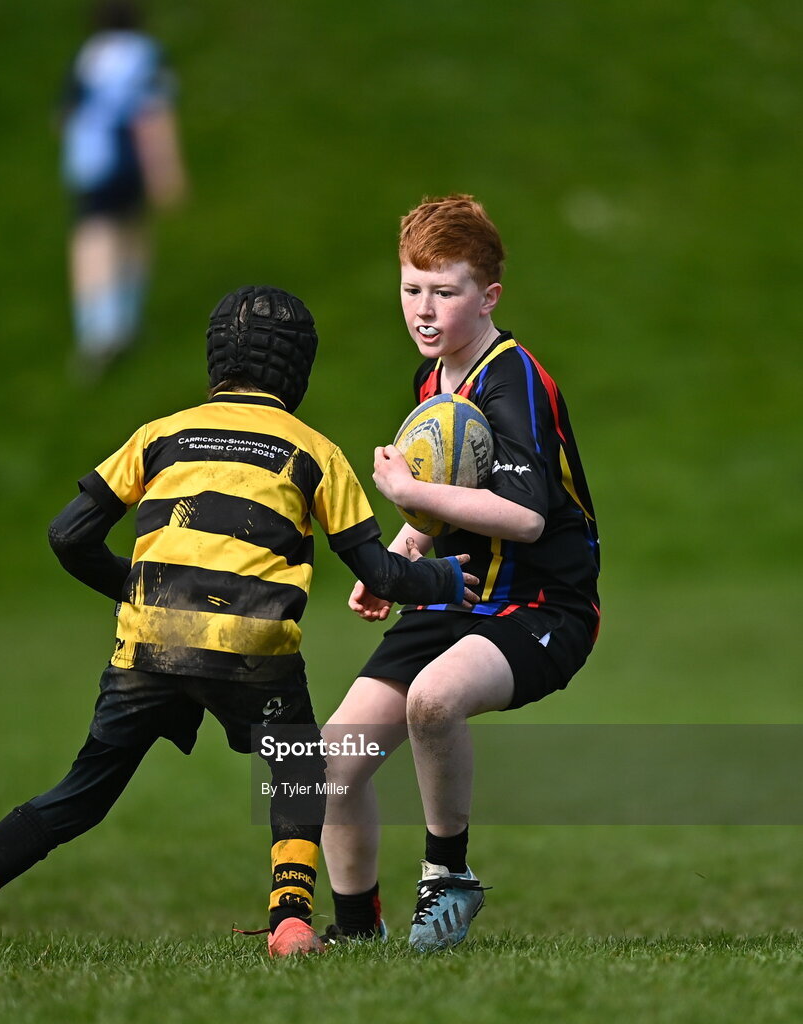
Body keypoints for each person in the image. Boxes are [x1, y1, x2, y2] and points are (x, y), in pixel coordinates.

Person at [0, 285, 482, 962]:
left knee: (77, 796)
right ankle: (291, 922)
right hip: (253, 650)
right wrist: (448, 577)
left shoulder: (161, 433)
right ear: (298, 368)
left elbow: (68, 537)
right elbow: (383, 574)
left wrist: (143, 589)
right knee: (300, 766)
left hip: (148, 648)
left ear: (215, 358)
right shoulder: (313, 452)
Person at [320, 195, 601, 951]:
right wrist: (402, 550)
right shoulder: (429, 382)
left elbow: (526, 516)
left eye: (445, 291)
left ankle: (447, 878)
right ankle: (354, 935)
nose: (424, 307)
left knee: (434, 702)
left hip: (542, 606)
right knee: (330, 762)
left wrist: (408, 496)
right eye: (412, 287)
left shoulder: (512, 379)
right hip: (458, 594)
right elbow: (454, 503)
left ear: (488, 296)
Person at [60, 1, 188, 377]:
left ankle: (98, 328)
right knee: (133, 228)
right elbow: (153, 114)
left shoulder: (87, 58)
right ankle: (127, 320)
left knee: (94, 236)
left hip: (92, 162)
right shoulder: (145, 55)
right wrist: (166, 171)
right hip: (131, 158)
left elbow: (64, 114)